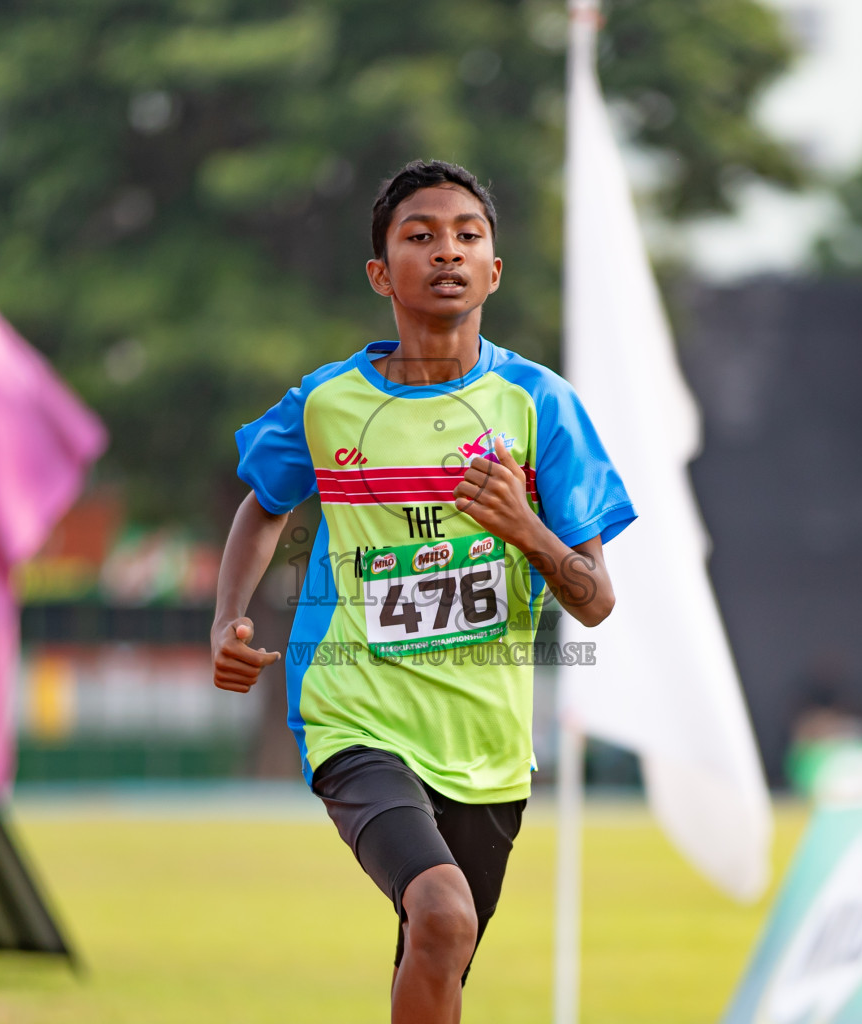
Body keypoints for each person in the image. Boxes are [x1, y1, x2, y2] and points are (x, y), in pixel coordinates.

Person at [212, 160, 635, 1023]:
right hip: (354, 719)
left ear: (494, 271)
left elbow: (594, 600)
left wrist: (530, 530)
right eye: (421, 236)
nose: (447, 251)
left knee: (442, 950)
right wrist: (229, 616)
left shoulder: (539, 407)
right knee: (442, 916)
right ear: (382, 274)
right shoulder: (327, 404)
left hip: (486, 746)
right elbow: (262, 508)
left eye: (467, 236)